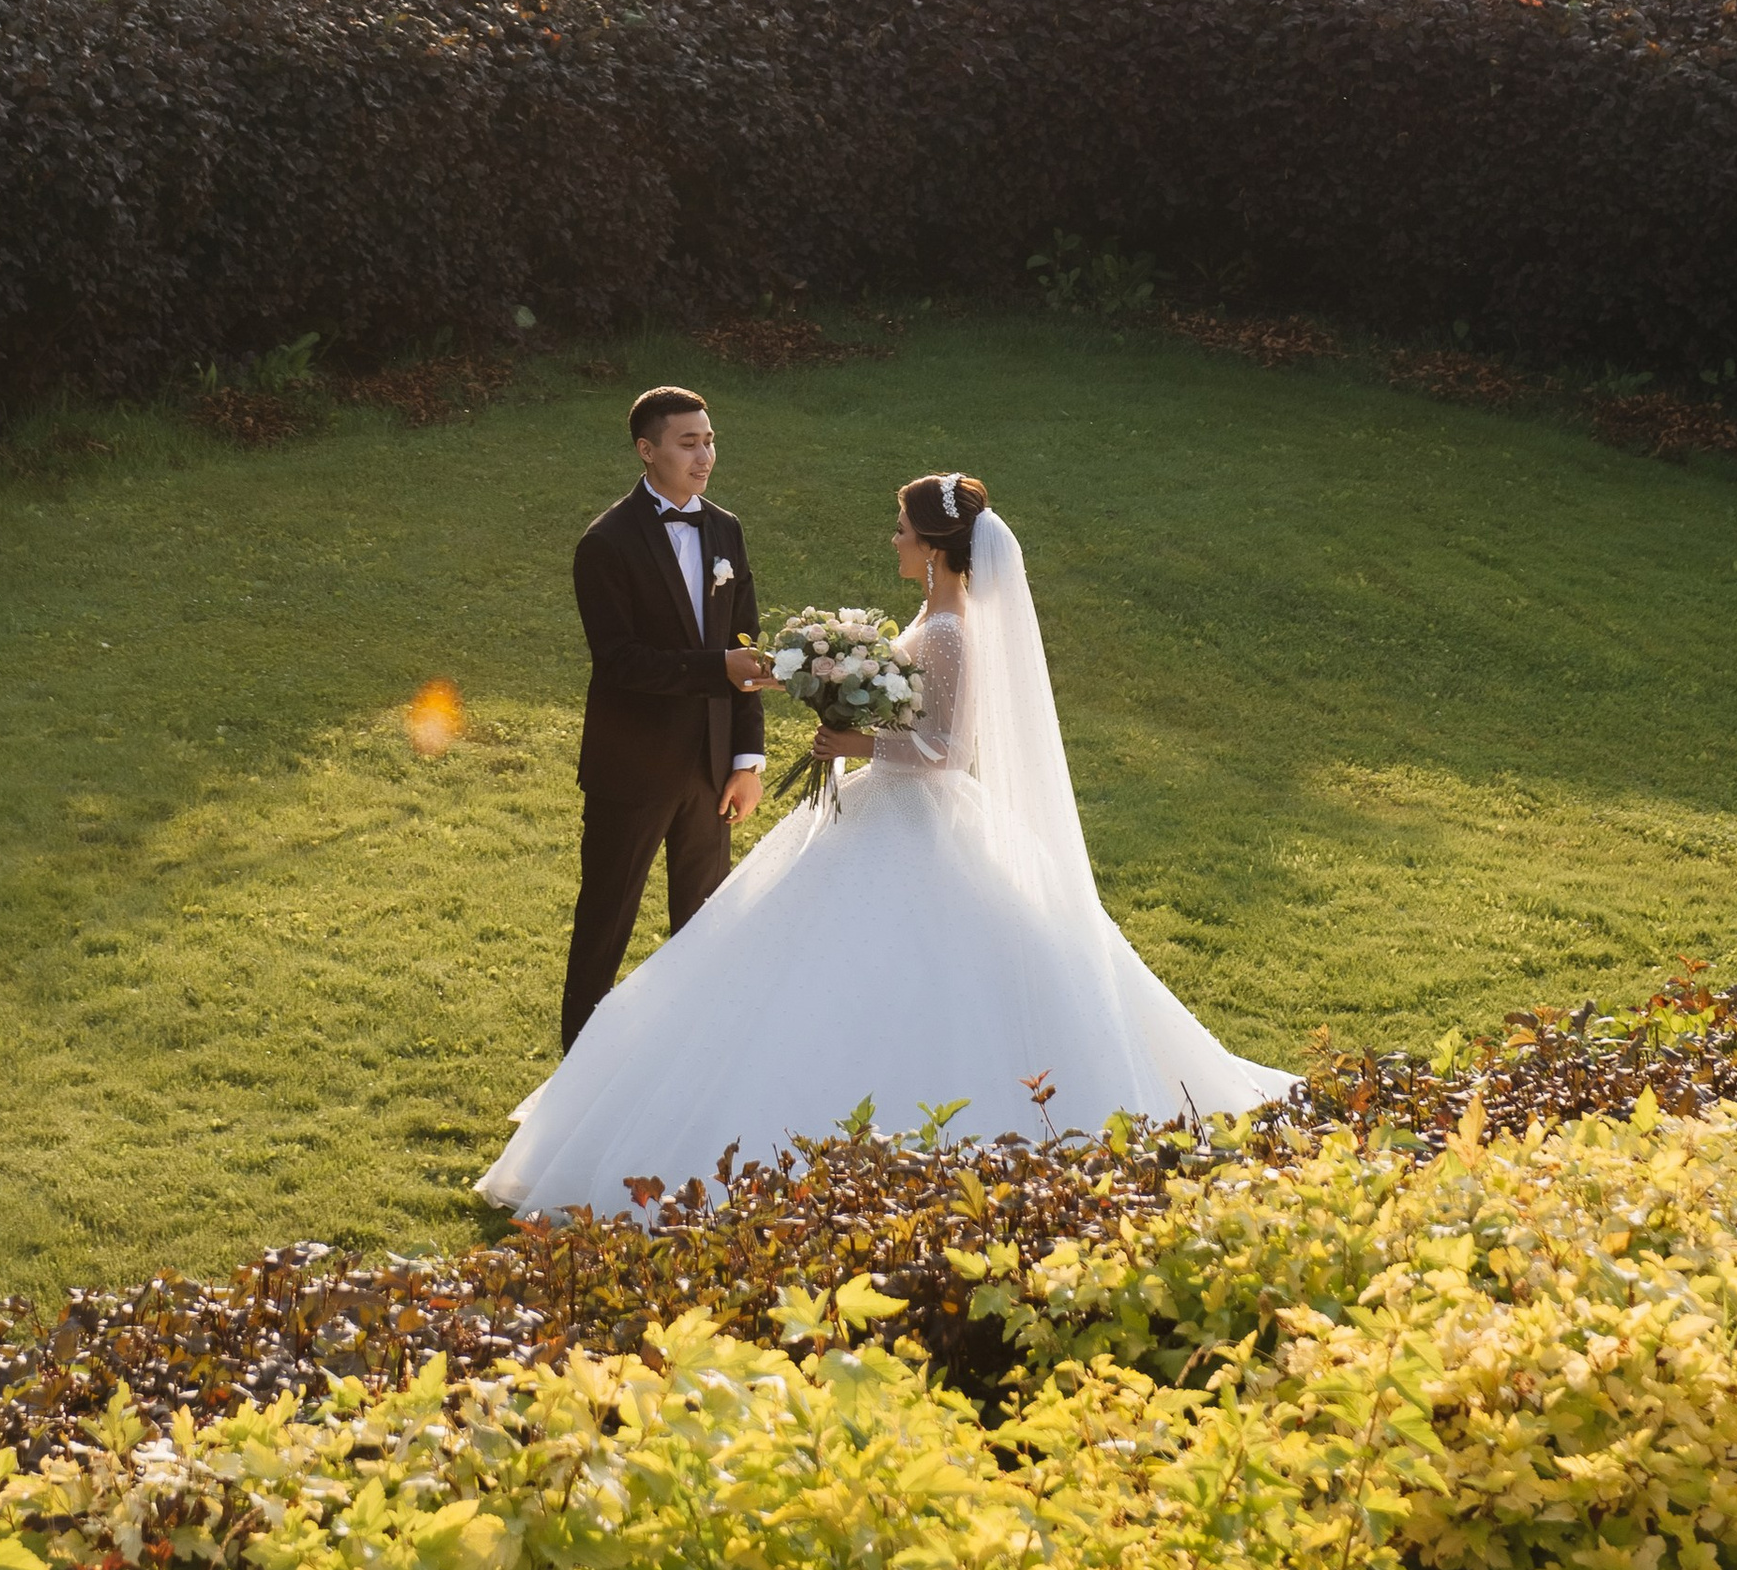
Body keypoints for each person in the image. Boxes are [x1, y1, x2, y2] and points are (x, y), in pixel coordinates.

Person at [480, 468, 1291, 1214]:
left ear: (935, 546)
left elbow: (950, 752)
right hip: (880, 809)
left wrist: (859, 743)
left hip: (917, 816)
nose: (893, 538)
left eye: (901, 527)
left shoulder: (948, 632)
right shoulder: (933, 616)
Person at [555, 387, 774, 1056]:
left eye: (709, 439)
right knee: (605, 924)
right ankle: (577, 1079)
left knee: (705, 929)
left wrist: (746, 759)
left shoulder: (725, 530)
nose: (705, 454)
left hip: (711, 772)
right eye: (688, 442)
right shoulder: (606, 542)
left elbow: (747, 646)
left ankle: (692, 1069)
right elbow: (620, 661)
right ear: (647, 450)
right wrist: (718, 668)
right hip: (633, 768)